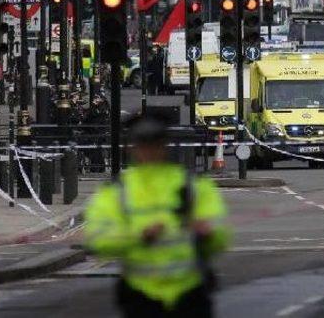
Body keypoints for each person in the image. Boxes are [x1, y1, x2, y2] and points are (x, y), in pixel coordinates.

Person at [84, 113, 230, 318]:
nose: (149, 151)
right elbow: (99, 240)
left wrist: (208, 232)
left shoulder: (191, 184)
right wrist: (139, 236)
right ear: (132, 148)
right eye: (143, 144)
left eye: (155, 143)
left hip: (189, 293)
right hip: (141, 295)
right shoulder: (117, 191)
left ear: (164, 145)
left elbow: (221, 235)